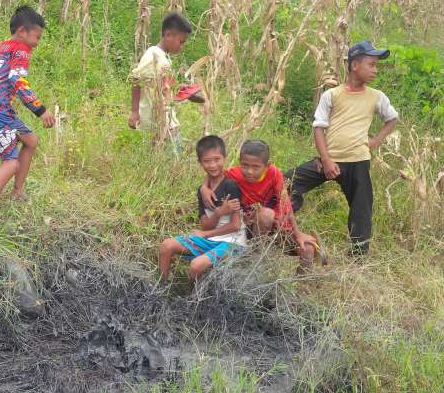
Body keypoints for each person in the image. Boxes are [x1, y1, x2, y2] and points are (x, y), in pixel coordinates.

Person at [287, 40, 398, 256]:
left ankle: (358, 257)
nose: (375, 70)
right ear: (355, 65)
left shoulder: (377, 96)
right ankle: (282, 230)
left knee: (361, 209)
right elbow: (319, 127)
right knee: (287, 183)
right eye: (371, 64)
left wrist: (375, 141)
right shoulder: (333, 95)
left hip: (358, 161)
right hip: (329, 161)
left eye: (376, 65)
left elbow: (392, 118)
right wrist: (326, 160)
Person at [0, 6, 55, 226]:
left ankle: (17, 192)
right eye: (37, 37)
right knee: (11, 162)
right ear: (23, 32)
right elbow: (18, 81)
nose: (37, 42)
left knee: (30, 140)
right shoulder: (22, 49)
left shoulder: (4, 45)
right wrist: (41, 110)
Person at [202, 140, 319, 271]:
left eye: (255, 167)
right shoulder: (235, 174)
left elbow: (286, 203)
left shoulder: (274, 174)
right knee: (266, 214)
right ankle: (257, 259)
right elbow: (214, 174)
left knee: (308, 248)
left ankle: (302, 287)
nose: (249, 171)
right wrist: (204, 187)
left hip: (276, 227)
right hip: (250, 227)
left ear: (267, 165)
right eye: (245, 165)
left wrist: (297, 233)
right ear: (240, 162)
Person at [159, 135, 245, 282]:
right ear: (200, 163)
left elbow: (235, 226)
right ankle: (161, 289)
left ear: (224, 158)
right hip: (211, 239)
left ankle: (193, 302)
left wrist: (205, 234)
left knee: (196, 265)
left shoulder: (230, 186)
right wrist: (218, 213)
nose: (212, 165)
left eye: (217, 160)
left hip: (232, 242)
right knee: (166, 246)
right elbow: (205, 225)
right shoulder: (202, 191)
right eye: (207, 161)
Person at [128, 12, 192, 146]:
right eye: (181, 42)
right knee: (171, 154)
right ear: (168, 35)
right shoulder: (153, 55)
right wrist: (134, 112)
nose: (181, 46)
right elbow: (136, 80)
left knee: (166, 154)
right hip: (155, 119)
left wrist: (184, 92)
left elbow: (165, 87)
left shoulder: (164, 57)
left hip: (165, 118)